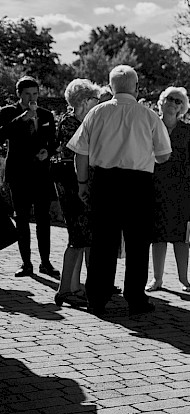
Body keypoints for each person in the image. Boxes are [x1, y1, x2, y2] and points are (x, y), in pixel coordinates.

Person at [68, 65, 172, 317]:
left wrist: (82, 184)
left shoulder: (96, 114)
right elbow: (164, 155)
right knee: (138, 243)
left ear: (111, 86)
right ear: (137, 87)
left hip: (104, 182)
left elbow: (80, 152)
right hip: (138, 184)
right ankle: (135, 297)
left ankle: (97, 297)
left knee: (103, 241)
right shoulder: (148, 116)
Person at [0, 76, 58, 278]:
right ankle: (26, 263)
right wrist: (22, 119)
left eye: (35, 94)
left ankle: (46, 262)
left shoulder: (46, 114)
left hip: (41, 174)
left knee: (44, 219)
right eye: (27, 94)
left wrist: (47, 152)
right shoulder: (8, 113)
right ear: (19, 94)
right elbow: (1, 135)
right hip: (18, 174)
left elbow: (53, 141)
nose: (32, 98)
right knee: (22, 219)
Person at [52, 78, 102, 308]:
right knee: (77, 237)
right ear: (83, 101)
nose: (98, 103)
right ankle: (64, 289)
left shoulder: (81, 121)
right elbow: (79, 152)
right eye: (94, 99)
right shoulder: (70, 123)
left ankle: (74, 286)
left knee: (82, 238)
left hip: (78, 184)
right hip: (71, 185)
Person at [148, 87, 190, 293]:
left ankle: (184, 280)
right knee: (157, 236)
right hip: (155, 187)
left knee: (181, 237)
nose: (173, 103)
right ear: (161, 101)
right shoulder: (151, 125)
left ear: (183, 107)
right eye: (169, 99)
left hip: (182, 189)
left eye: (178, 101)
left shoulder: (187, 130)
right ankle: (157, 279)